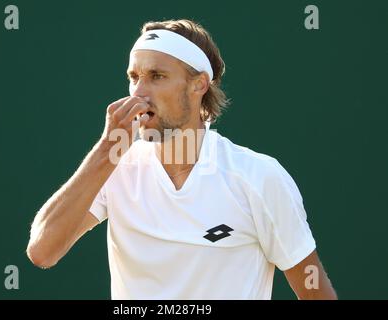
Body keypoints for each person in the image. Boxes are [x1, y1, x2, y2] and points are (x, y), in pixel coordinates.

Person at [26, 19, 337, 300]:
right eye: (134, 77)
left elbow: (315, 292)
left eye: (156, 76)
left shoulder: (258, 178)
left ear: (199, 84)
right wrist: (108, 149)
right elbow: (42, 251)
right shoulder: (114, 168)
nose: (139, 92)